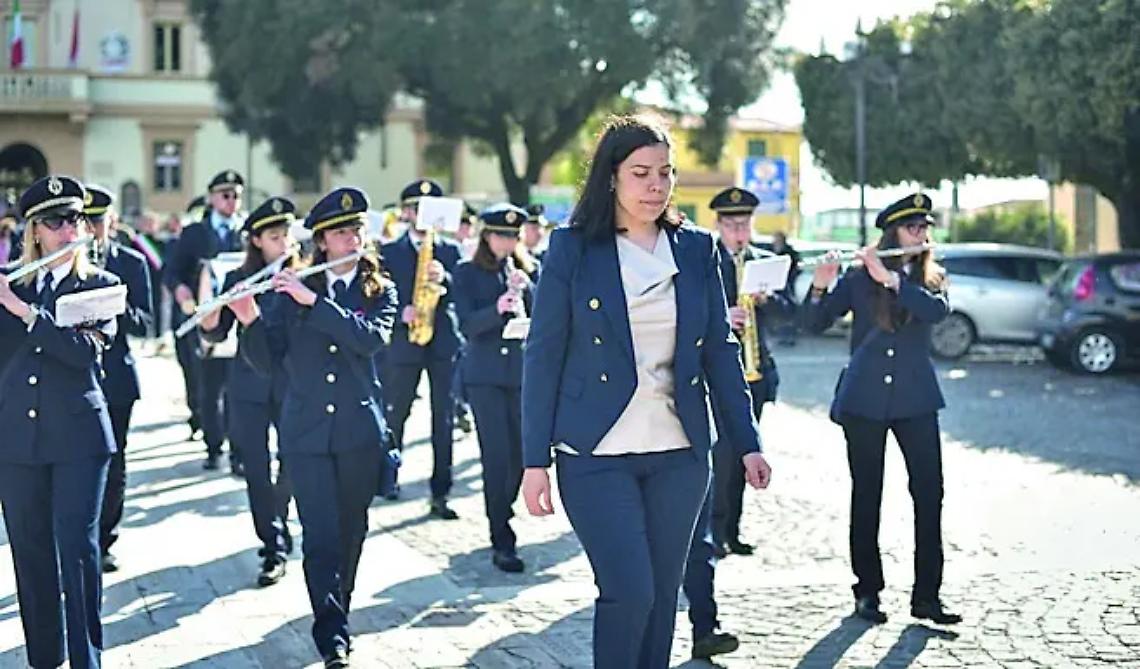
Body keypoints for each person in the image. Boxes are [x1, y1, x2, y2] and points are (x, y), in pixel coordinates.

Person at [520, 114, 773, 668]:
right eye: (641, 173)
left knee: (661, 602)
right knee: (629, 593)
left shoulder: (696, 249)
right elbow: (541, 357)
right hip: (594, 454)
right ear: (611, 177)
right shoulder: (570, 250)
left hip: (680, 455)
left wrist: (746, 440)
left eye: (665, 173)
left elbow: (718, 352)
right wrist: (533, 460)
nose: (656, 185)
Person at [233, 186, 398, 668]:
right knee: (320, 536)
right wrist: (248, 322)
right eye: (342, 233)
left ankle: (339, 605)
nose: (353, 239)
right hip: (305, 435)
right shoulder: (289, 291)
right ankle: (332, 633)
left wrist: (314, 302)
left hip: (358, 434)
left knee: (352, 532)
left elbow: (368, 341)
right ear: (322, 242)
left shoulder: (378, 291)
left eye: (357, 231)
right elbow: (269, 362)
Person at [803, 192, 961, 626]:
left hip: (916, 400)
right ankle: (867, 592)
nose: (921, 235)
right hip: (865, 402)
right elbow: (813, 323)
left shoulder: (931, 279)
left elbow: (936, 312)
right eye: (913, 228)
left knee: (930, 494)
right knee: (866, 495)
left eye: (925, 228)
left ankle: (927, 596)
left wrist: (893, 281)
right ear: (893, 233)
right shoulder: (859, 279)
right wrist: (821, 282)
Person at [0, 176, 119, 669]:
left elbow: (83, 354)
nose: (69, 230)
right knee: (29, 555)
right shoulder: (12, 280)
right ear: (35, 233)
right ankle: (44, 660)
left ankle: (86, 660)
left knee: (77, 549)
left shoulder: (100, 285)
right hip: (17, 440)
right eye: (55, 222)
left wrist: (24, 313)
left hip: (79, 439)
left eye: (75, 219)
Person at [199, 196, 298, 587]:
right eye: (275, 236)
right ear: (257, 241)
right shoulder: (237, 279)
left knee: (290, 461)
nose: (284, 242)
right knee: (255, 468)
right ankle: (271, 544)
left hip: (291, 384)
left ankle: (282, 518)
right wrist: (209, 319)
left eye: (287, 234)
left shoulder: (303, 278)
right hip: (248, 385)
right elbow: (217, 334)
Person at [452, 203, 538, 573]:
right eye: (501, 235)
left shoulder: (525, 271)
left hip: (519, 375)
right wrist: (498, 307)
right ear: (486, 236)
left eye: (513, 236)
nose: (507, 242)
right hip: (484, 375)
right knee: (496, 456)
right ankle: (501, 535)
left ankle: (503, 508)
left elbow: (541, 322)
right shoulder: (466, 273)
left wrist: (525, 296)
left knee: (520, 456)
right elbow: (467, 325)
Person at [707, 187, 790, 558]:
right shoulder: (707, 262)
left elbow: (792, 314)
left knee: (747, 455)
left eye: (744, 224)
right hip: (720, 375)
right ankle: (714, 531)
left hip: (757, 373)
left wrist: (769, 300)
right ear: (719, 225)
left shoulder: (763, 262)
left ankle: (733, 530)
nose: (739, 232)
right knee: (721, 458)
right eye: (732, 224)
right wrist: (722, 316)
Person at [379, 179, 463, 517]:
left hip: (441, 341)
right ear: (406, 212)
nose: (420, 215)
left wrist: (445, 280)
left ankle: (440, 492)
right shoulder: (389, 252)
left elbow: (462, 296)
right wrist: (401, 313)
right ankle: (387, 476)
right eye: (415, 208)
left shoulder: (450, 251)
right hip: (405, 341)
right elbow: (379, 295)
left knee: (443, 418)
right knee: (396, 411)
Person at [82, 185, 154, 574]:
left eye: (98, 221)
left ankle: (105, 538)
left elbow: (147, 324)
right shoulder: (67, 264)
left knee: (114, 459)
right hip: (74, 376)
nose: (92, 230)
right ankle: (80, 535)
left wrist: (118, 302)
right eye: (85, 222)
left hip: (116, 379)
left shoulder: (131, 262)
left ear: (111, 221)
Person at [165, 171, 245, 472]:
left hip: (239, 320)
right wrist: (181, 291)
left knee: (239, 389)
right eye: (225, 195)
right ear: (211, 197)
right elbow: (173, 272)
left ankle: (239, 451)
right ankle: (214, 446)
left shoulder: (247, 232)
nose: (231, 201)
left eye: (236, 195)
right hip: (205, 320)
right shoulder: (194, 233)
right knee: (209, 388)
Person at [769, 231, 801, 346]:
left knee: (789, 310)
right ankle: (782, 336)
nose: (775, 241)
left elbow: (796, 267)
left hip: (787, 285)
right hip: (776, 285)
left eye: (777, 239)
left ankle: (790, 336)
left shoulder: (789, 252)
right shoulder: (773, 250)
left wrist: (790, 278)